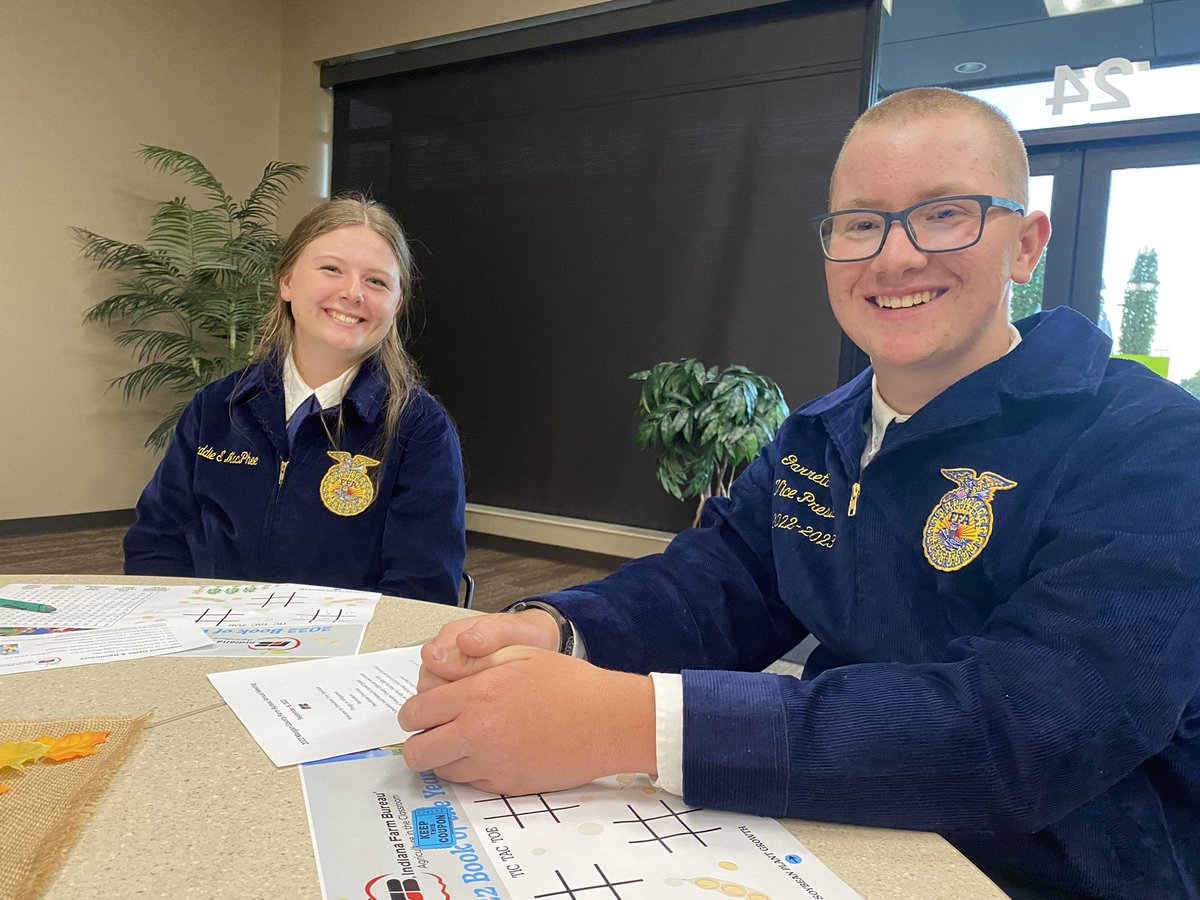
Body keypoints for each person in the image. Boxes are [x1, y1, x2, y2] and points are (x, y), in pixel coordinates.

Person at [398, 88, 1200, 897]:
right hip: (829, 833)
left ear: (1025, 246)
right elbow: (718, 585)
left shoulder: (1151, 445)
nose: (894, 258)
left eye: (944, 213)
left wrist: (628, 722)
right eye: (860, 223)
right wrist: (558, 633)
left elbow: (1025, 731)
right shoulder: (820, 434)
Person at [124, 195, 466, 604]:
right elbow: (157, 542)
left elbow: (419, 590)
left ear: (396, 305)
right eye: (331, 269)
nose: (353, 292)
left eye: (376, 281)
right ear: (286, 282)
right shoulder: (217, 406)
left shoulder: (418, 428)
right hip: (201, 642)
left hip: (340, 658)